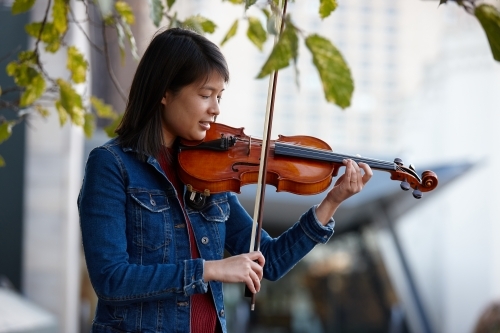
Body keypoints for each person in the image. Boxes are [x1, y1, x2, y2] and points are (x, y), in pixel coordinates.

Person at [78, 27, 372, 333]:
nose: (215, 109)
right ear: (164, 92)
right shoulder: (112, 164)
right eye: (205, 95)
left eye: (219, 96)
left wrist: (331, 201)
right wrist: (210, 270)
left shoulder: (208, 170)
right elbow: (111, 280)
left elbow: (268, 261)